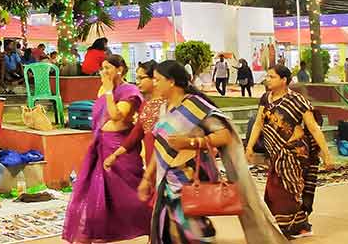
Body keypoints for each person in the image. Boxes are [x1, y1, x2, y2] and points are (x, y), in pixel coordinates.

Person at [139, 60, 286, 244]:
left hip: (189, 179)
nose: (154, 83)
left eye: (157, 79)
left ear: (171, 81)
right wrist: (147, 178)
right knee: (167, 232)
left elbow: (224, 136)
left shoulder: (195, 106)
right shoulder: (164, 108)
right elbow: (161, 147)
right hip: (166, 182)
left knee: (193, 234)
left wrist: (191, 142)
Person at [62, 55, 150, 243]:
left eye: (108, 68)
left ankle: (151, 223)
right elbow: (99, 117)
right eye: (102, 68)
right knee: (97, 193)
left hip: (119, 147)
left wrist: (110, 92)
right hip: (101, 144)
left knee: (127, 195)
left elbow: (117, 116)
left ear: (120, 69)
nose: (104, 72)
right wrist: (107, 91)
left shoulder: (130, 91)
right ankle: (97, 233)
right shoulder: (103, 89)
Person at [245, 65, 334, 239]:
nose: (267, 79)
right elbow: (258, 124)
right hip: (276, 153)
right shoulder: (265, 99)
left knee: (283, 191)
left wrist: (326, 154)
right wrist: (249, 146)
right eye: (267, 76)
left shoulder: (297, 101)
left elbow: (314, 129)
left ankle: (294, 227)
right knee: (274, 193)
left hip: (294, 152)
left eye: (272, 77)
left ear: (283, 80)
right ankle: (299, 226)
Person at [103, 60, 165, 171]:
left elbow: (116, 116)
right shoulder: (145, 105)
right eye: (137, 78)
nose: (137, 82)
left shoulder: (168, 104)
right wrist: (115, 155)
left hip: (168, 165)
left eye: (141, 78)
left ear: (155, 79)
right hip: (151, 165)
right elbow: (136, 134)